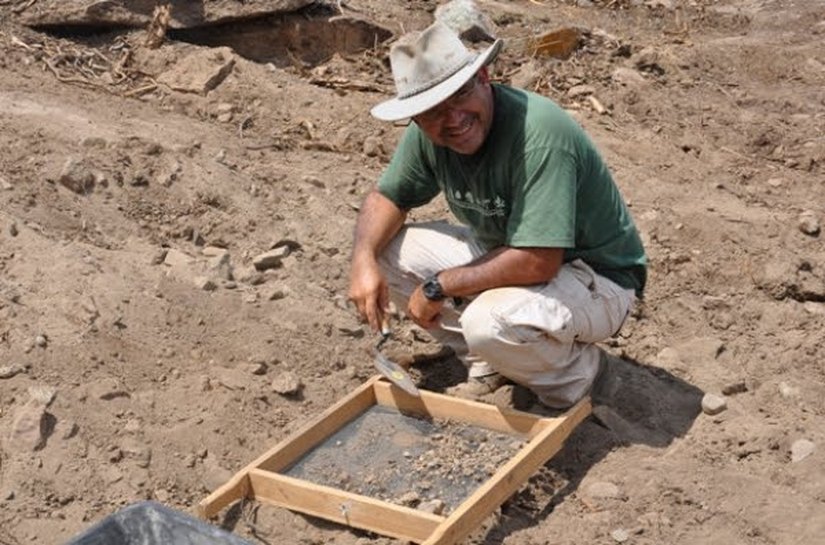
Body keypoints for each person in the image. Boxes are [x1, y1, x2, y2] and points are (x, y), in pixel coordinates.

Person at [347, 21, 647, 409]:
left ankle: (579, 378)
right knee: (385, 251)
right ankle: (487, 363)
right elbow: (389, 196)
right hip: (513, 254)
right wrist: (361, 259)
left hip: (595, 277)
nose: (452, 118)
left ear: (484, 77)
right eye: (433, 111)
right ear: (416, 118)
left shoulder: (537, 133)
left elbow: (538, 260)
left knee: (489, 323)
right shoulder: (428, 136)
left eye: (459, 96)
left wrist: (438, 285)